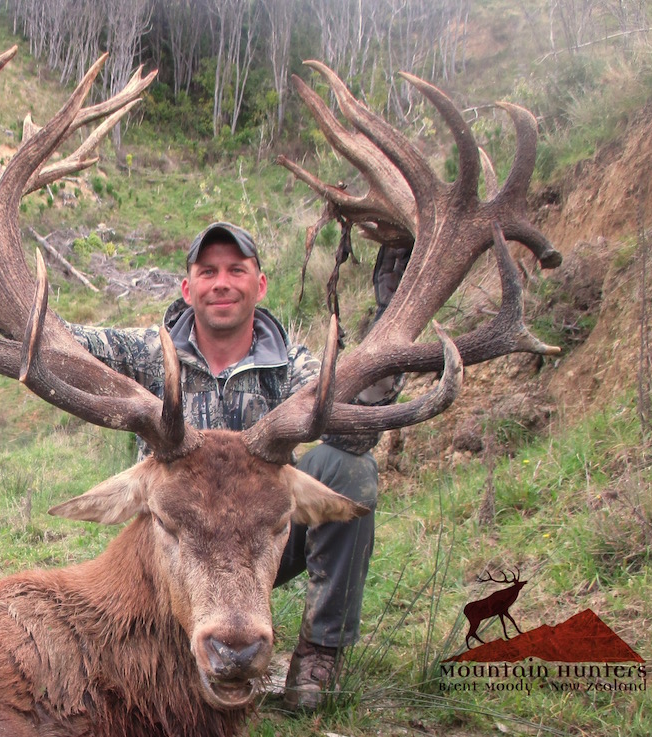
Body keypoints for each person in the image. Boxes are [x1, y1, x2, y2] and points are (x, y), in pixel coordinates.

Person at [69, 222, 403, 711]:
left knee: (348, 469)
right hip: (179, 550)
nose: (221, 282)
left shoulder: (293, 366)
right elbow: (61, 343)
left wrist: (392, 318)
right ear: (188, 289)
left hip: (259, 545)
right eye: (208, 272)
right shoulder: (147, 352)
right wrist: (11, 307)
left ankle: (318, 654)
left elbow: (357, 431)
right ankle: (169, 642)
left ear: (259, 284)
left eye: (236, 270)